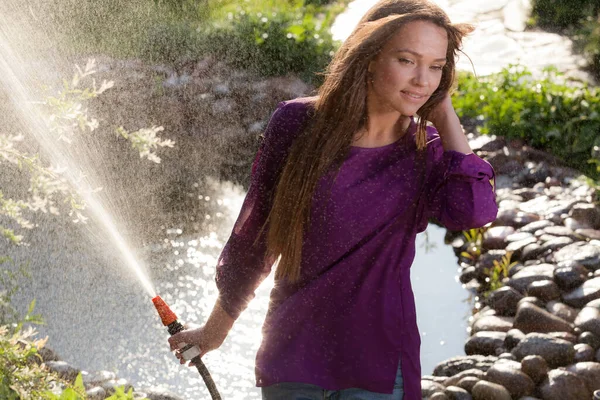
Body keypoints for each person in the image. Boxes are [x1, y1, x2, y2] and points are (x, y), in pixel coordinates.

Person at [168, 0, 498, 398]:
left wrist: (444, 113)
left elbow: (472, 211)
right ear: (369, 57)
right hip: (292, 353)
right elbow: (256, 239)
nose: (422, 80)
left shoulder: (424, 148)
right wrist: (215, 330)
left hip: (379, 361)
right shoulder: (296, 124)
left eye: (436, 66)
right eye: (407, 60)